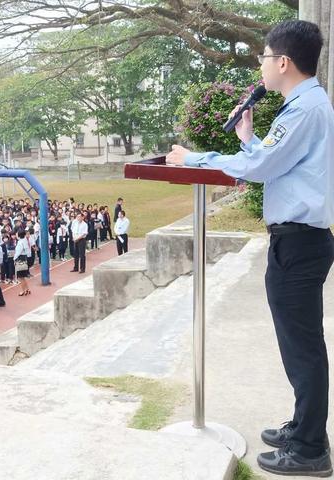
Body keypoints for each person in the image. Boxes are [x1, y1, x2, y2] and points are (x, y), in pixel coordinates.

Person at [167, 20, 334, 477]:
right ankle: (304, 427)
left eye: (263, 57)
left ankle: (309, 449)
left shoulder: (302, 109)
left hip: (299, 244)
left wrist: (193, 158)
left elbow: (260, 167)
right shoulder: (306, 105)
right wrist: (247, 137)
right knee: (299, 344)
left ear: (282, 62)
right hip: (301, 241)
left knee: (302, 348)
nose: (260, 66)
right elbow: (277, 164)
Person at [14, 230, 31, 296]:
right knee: (23, 276)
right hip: (24, 258)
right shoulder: (25, 241)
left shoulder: (20, 242)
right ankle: (27, 289)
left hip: (20, 259)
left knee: (20, 277)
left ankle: (23, 290)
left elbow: (18, 252)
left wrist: (14, 258)